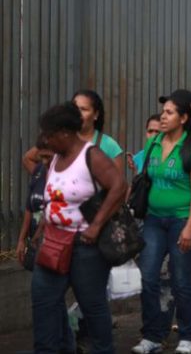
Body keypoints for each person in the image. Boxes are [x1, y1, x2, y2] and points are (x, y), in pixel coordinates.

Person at [32, 102, 127, 353]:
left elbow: (118, 187)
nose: (46, 141)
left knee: (92, 305)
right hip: (53, 241)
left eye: (49, 135)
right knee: (44, 301)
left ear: (64, 133)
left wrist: (96, 225)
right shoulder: (55, 158)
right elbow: (54, 196)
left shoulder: (91, 155)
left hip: (85, 246)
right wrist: (43, 224)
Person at [132, 91, 191, 354]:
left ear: (184, 118)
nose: (163, 117)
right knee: (148, 277)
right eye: (163, 112)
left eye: (169, 113)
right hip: (153, 219)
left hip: (181, 220)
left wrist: (190, 226)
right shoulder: (154, 144)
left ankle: (187, 334)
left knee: (180, 279)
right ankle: (153, 335)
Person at [16, 137, 53, 268]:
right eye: (41, 156)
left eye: (48, 157)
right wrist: (22, 239)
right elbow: (29, 207)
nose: (44, 161)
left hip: (55, 247)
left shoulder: (63, 178)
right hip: (37, 245)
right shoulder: (38, 171)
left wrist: (35, 240)